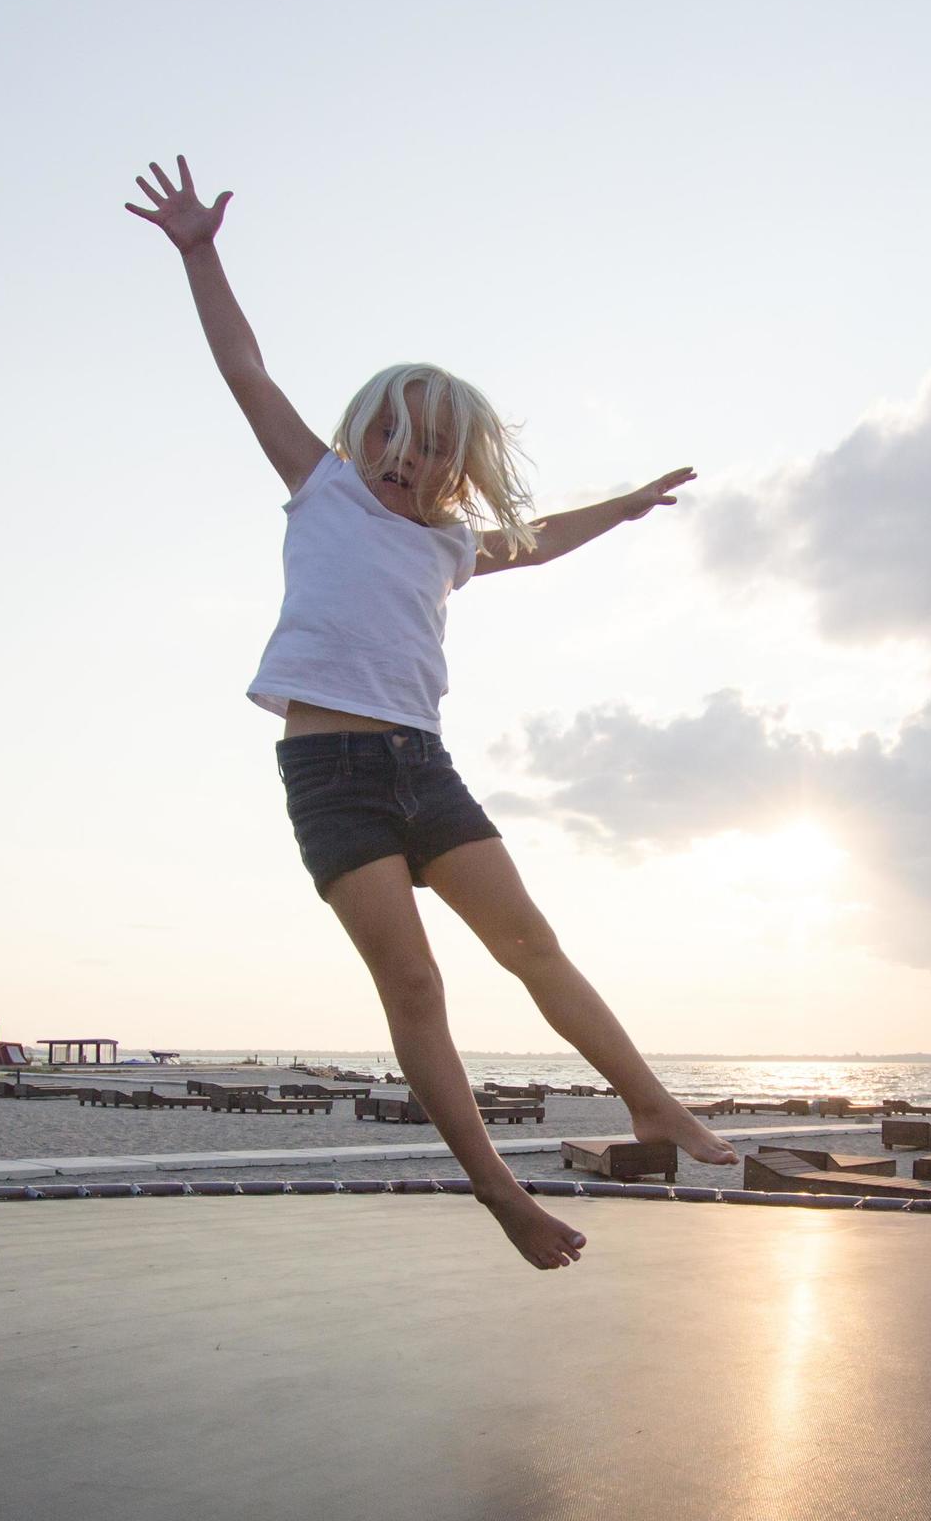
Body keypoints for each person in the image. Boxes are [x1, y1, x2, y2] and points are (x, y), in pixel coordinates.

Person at [126, 155, 738, 1271]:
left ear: (458, 467)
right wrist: (201, 253)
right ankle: (500, 1193)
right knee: (415, 983)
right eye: (393, 436)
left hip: (426, 767)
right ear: (362, 435)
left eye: (433, 446)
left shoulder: (451, 542)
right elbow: (244, 369)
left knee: (533, 945)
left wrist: (631, 503)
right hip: (330, 779)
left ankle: (655, 1104)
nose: (408, 458)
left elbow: (537, 538)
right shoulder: (320, 485)